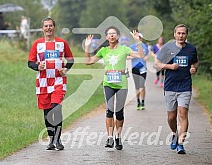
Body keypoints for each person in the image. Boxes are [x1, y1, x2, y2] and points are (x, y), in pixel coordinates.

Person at [84, 26, 144, 150]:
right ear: (106, 37)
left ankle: (118, 137)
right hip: (108, 83)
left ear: (118, 37)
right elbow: (88, 61)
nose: (112, 36)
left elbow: (140, 55)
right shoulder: (103, 51)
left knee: (119, 112)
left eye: (114, 34)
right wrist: (87, 47)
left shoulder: (124, 49)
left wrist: (138, 41)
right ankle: (110, 137)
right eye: (109, 34)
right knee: (110, 110)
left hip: (121, 84)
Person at [28, 17, 74, 150]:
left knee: (56, 108)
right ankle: (51, 139)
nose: (48, 28)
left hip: (58, 81)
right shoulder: (37, 44)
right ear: (42, 28)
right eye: (46, 26)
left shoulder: (62, 43)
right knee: (47, 112)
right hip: (43, 83)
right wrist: (38, 66)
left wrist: (65, 69)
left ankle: (58, 140)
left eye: (50, 26)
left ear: (54, 27)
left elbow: (70, 59)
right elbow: (30, 62)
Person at [155, 24, 199, 154]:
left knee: (182, 114)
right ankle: (174, 133)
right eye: (178, 33)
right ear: (174, 34)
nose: (181, 35)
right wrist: (169, 67)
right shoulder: (167, 48)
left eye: (183, 33)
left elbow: (195, 62)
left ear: (186, 35)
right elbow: (157, 64)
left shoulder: (191, 49)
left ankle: (181, 143)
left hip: (185, 86)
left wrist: (194, 68)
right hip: (170, 86)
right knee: (171, 117)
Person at [129, 33, 150, 110]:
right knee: (137, 86)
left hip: (143, 68)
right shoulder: (132, 47)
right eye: (138, 37)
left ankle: (143, 102)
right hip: (135, 67)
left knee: (142, 85)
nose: (139, 39)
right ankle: (138, 102)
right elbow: (127, 56)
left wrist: (146, 57)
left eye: (140, 37)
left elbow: (148, 54)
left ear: (142, 38)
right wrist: (133, 56)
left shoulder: (145, 46)